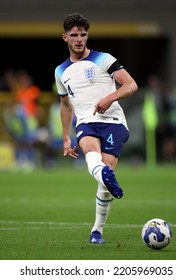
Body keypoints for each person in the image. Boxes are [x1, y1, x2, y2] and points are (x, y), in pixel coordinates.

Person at [54, 13, 138, 244]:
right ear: (65, 38)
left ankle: (97, 229)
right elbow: (65, 105)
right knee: (92, 155)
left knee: (105, 174)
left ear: (87, 36)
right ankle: (96, 231)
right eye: (74, 35)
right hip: (86, 122)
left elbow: (131, 85)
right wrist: (65, 138)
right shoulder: (60, 71)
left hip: (113, 122)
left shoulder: (104, 59)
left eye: (83, 34)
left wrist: (110, 97)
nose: (79, 39)